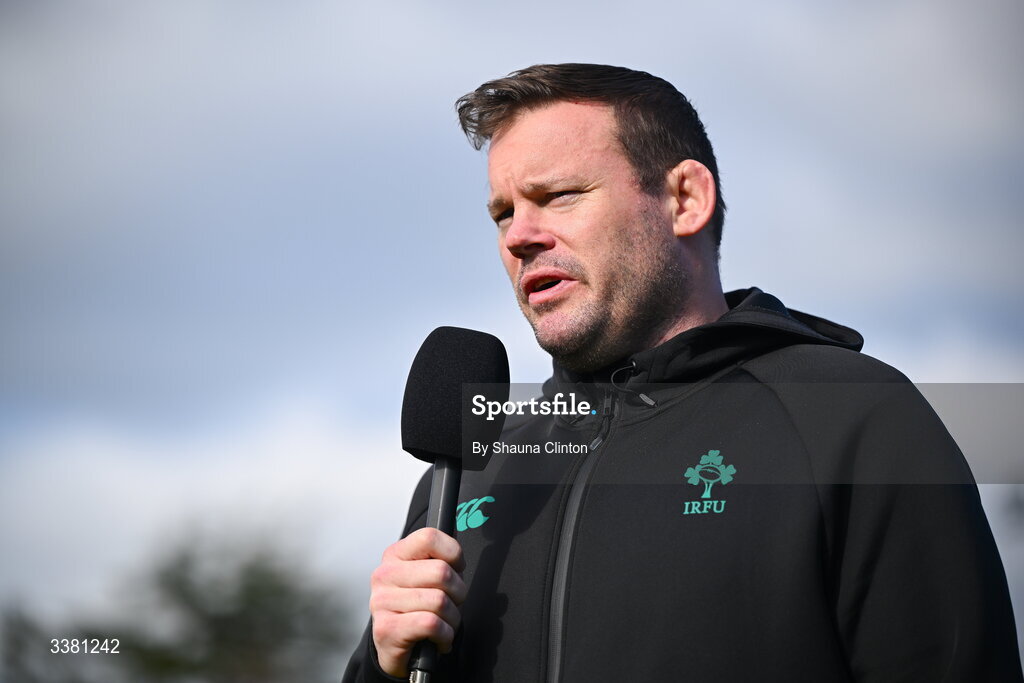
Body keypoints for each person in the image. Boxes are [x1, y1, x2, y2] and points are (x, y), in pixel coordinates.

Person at [343, 63, 1022, 682]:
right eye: (503, 213)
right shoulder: (474, 467)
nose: (520, 234)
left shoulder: (854, 421)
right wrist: (384, 664)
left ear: (685, 199)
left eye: (559, 195)